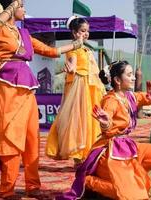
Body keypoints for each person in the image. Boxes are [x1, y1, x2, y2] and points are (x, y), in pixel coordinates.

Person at [0, 1, 83, 198]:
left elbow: (50, 51)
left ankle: (33, 186)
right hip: (7, 89)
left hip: (27, 90)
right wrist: (10, 8)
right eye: (22, 6)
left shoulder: (24, 34)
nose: (25, 10)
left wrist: (75, 44)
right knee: (10, 138)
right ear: (10, 7)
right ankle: (7, 189)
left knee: (31, 139)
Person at [56, 60, 151, 200]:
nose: (133, 78)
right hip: (109, 151)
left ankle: (128, 176)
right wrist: (106, 124)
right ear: (118, 80)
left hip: (126, 147)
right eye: (130, 75)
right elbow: (106, 124)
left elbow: (146, 97)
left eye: (133, 75)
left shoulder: (130, 96)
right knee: (132, 195)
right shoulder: (110, 101)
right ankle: (89, 181)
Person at [45, 16, 105, 164]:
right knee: (79, 119)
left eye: (87, 31)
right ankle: (78, 154)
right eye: (82, 31)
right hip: (80, 87)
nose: (86, 34)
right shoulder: (73, 49)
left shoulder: (86, 49)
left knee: (91, 119)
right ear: (74, 32)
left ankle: (90, 151)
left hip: (91, 88)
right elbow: (72, 64)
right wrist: (70, 69)